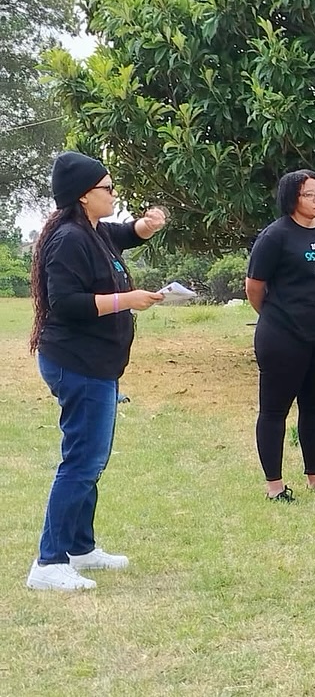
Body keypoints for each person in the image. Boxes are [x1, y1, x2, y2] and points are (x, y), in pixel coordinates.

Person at [26, 152, 167, 591]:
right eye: (107, 188)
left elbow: (126, 233)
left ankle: (80, 547)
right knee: (82, 461)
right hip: (76, 363)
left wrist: (147, 225)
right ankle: (49, 562)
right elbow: (65, 301)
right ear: (85, 196)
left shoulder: (95, 232)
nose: (113, 194)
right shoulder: (69, 239)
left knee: (91, 457)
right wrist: (129, 299)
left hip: (98, 364)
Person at [246, 170, 315, 502]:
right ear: (292, 198)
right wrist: (279, 318)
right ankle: (274, 486)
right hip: (284, 335)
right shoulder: (275, 236)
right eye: (310, 194)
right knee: (275, 409)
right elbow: (254, 287)